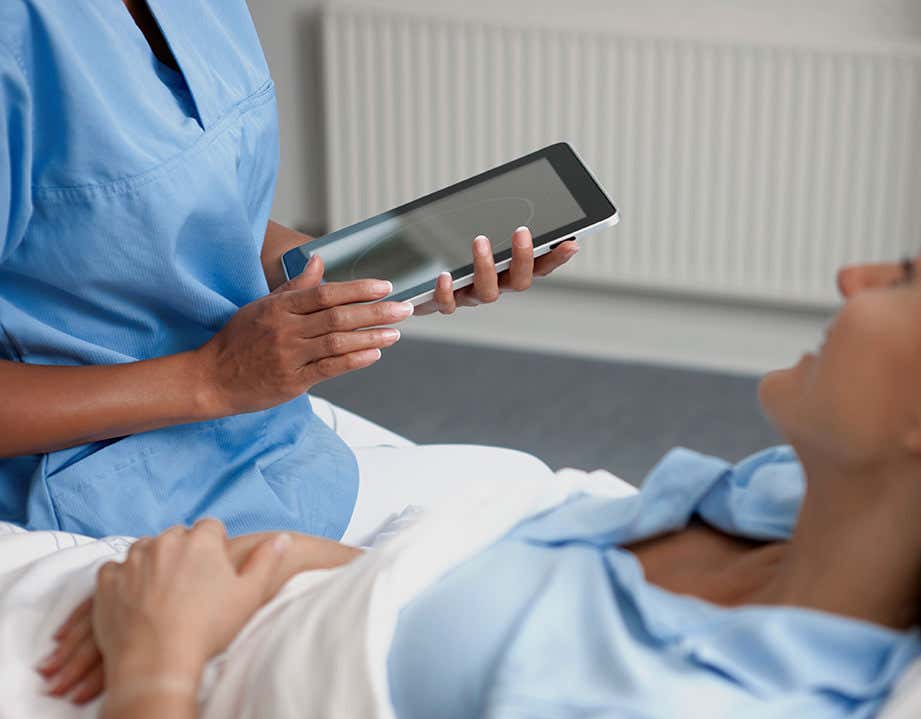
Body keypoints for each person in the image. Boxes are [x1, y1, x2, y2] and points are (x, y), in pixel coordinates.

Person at [38, 175, 921, 719]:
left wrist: (161, 660)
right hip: (221, 574)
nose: (855, 275)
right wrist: (297, 561)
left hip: (106, 677)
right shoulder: (789, 511)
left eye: (908, 274)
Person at [0, 0, 579, 542]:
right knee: (536, 535)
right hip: (114, 498)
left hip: (262, 441)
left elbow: (181, 215)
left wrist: (389, 270)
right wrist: (213, 377)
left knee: (547, 503)